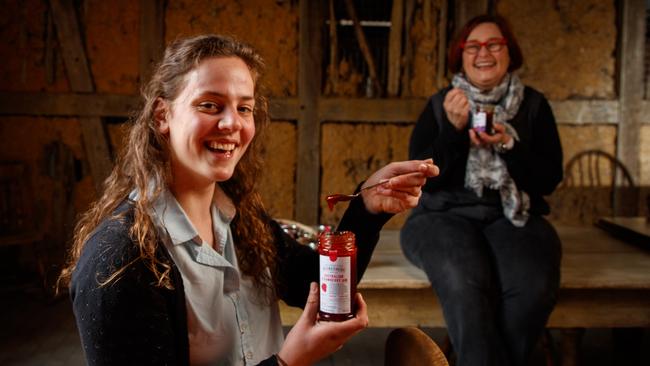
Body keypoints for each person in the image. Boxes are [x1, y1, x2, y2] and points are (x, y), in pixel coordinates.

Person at [57, 34, 438, 366]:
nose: (232, 124)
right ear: (162, 115)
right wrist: (291, 361)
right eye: (209, 104)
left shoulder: (238, 217)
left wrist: (367, 209)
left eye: (244, 107)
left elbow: (315, 282)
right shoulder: (118, 260)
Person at [400, 14, 563, 366]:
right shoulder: (441, 105)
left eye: (494, 44)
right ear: (460, 56)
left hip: (515, 216)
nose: (483, 53)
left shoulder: (533, 105)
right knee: (465, 284)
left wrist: (509, 145)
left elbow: (549, 179)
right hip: (441, 216)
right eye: (472, 46)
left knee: (532, 287)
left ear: (509, 52)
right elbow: (421, 175)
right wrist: (453, 132)